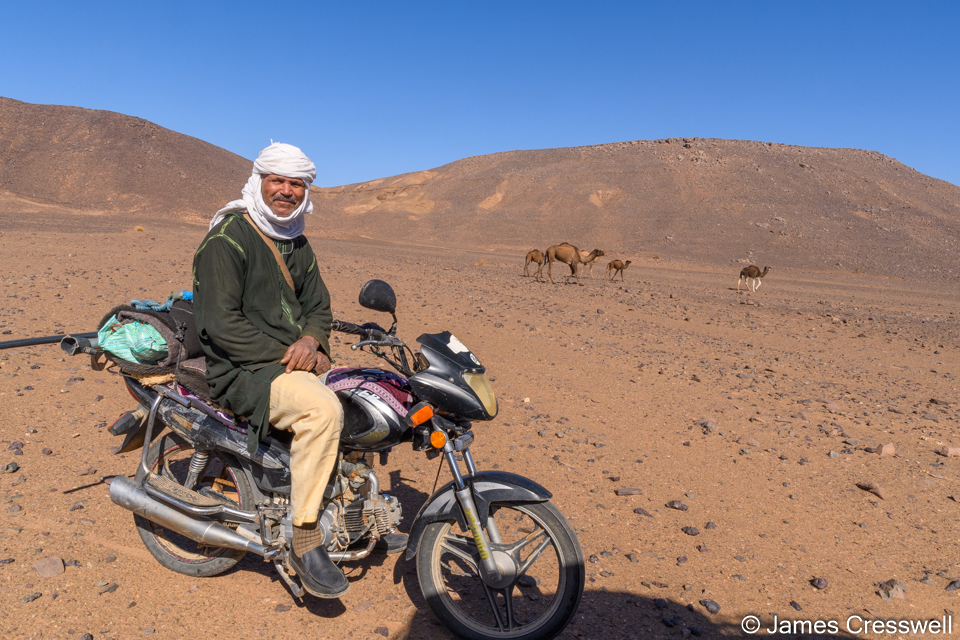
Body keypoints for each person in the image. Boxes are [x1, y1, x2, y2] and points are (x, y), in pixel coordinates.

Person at [192, 142, 348, 598]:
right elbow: (221, 325)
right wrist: (293, 353)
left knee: (366, 398)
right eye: (277, 181)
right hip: (241, 368)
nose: (286, 191)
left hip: (290, 358)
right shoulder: (227, 240)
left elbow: (319, 304)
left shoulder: (296, 240)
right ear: (259, 182)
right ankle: (303, 538)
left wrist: (312, 340)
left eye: (295, 183)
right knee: (322, 412)